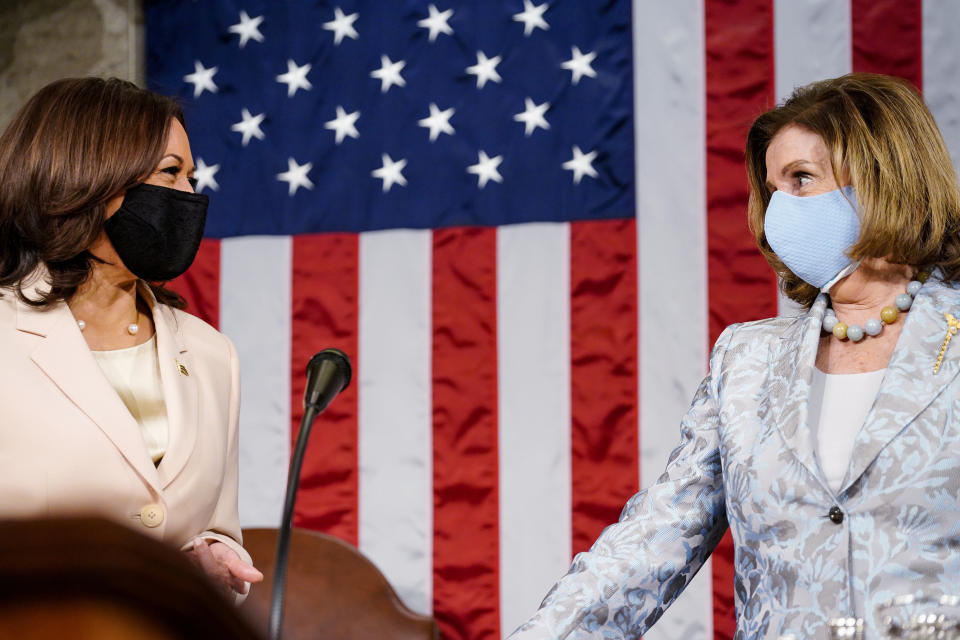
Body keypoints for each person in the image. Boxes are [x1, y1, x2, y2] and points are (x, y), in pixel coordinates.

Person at [508, 73, 960, 639]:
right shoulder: (745, 359)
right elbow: (657, 538)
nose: (779, 211)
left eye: (802, 179)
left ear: (884, 177)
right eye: (773, 190)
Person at [0, 77, 263, 601]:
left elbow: (213, 528)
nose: (190, 197)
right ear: (86, 177)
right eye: (170, 173)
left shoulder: (213, 355)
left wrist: (211, 555)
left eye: (191, 176)